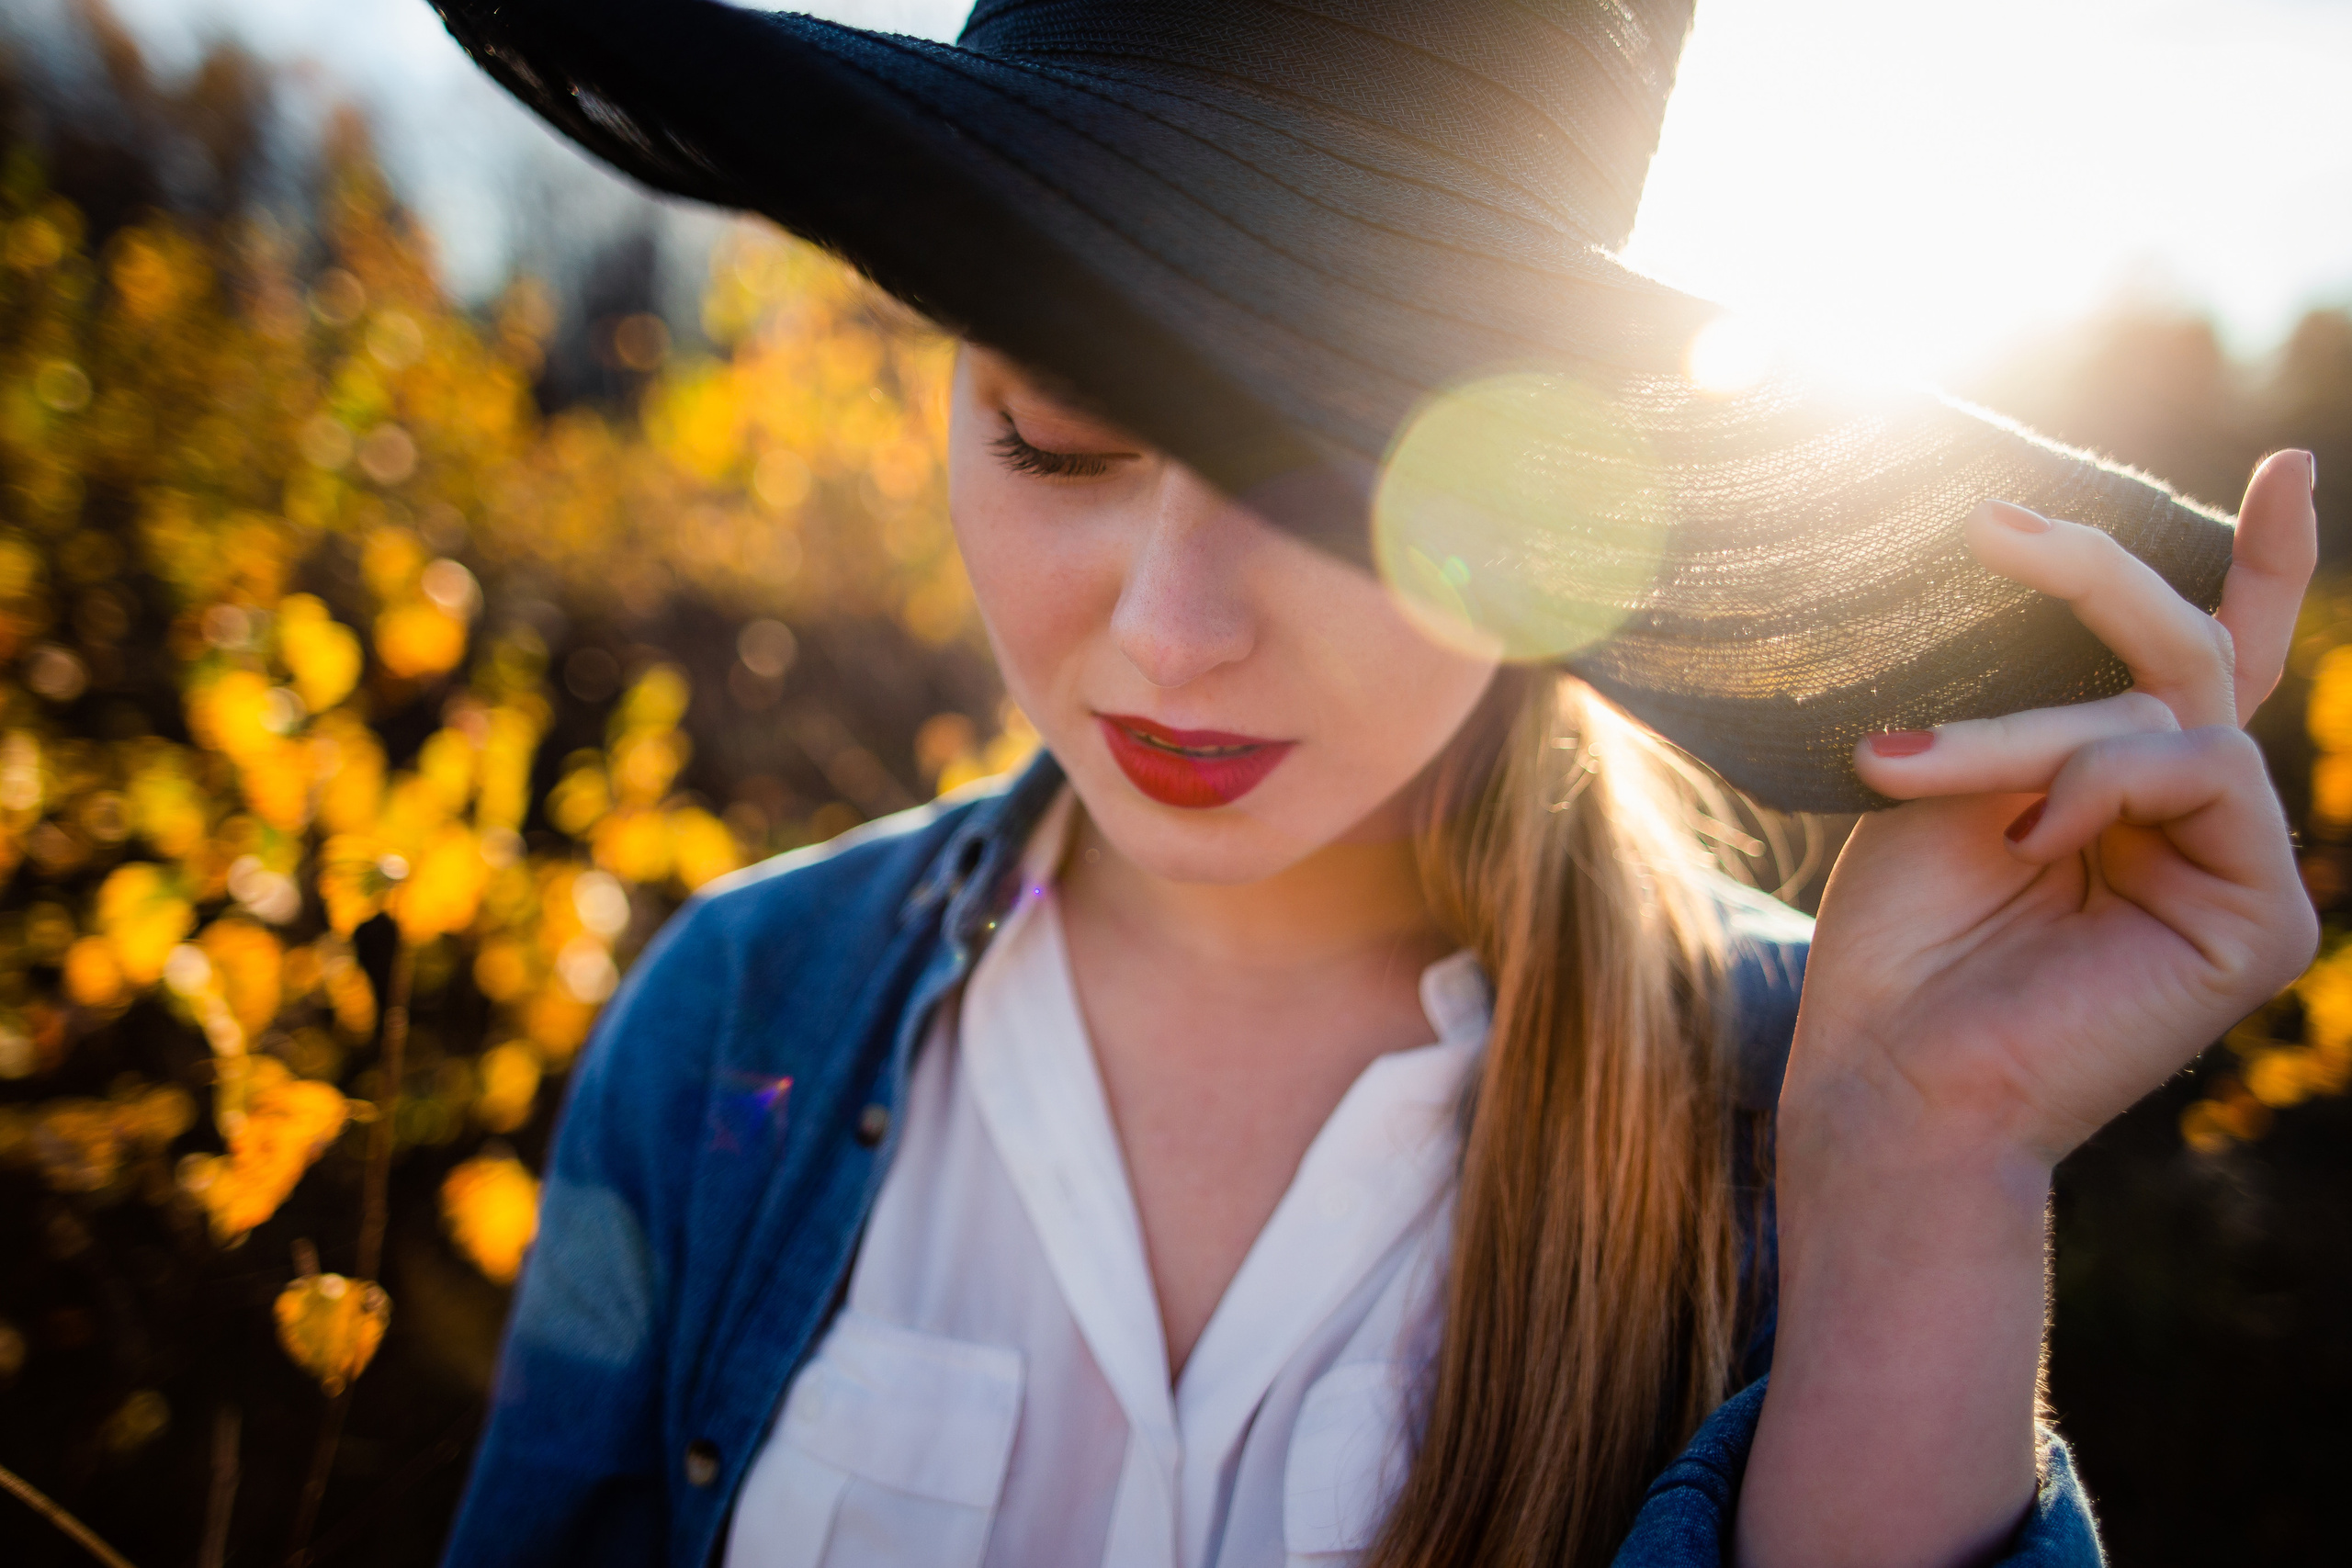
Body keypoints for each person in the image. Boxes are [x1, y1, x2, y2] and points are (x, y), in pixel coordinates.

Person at [429, 3, 2320, 1564]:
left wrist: (1920, 1157)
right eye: (1055, 442)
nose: (1171, 634)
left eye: (1324, 486)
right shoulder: (738, 1020)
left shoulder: (1785, 1113)